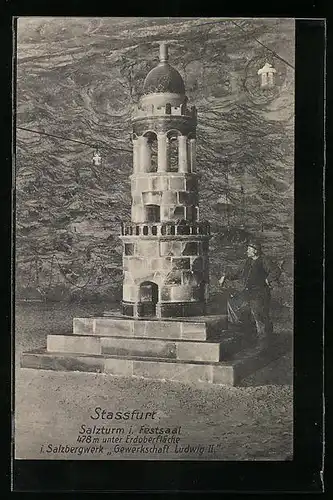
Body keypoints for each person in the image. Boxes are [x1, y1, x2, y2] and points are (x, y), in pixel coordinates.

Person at [219, 241, 281, 350]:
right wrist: (225, 276)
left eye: (249, 249)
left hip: (260, 293)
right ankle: (242, 334)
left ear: (255, 250)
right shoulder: (247, 262)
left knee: (259, 316)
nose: (247, 251)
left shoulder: (264, 260)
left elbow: (276, 271)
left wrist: (267, 280)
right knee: (233, 303)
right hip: (247, 293)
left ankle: (264, 344)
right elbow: (237, 273)